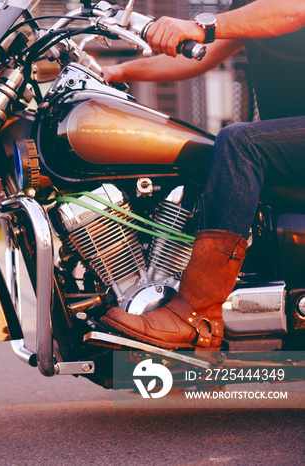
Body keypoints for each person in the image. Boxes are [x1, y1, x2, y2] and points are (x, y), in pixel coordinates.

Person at [99, 0, 305, 349]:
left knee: (241, 143)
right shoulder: (246, 7)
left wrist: (202, 25)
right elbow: (204, 56)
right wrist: (116, 73)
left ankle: (197, 315)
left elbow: (293, 11)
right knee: (199, 156)